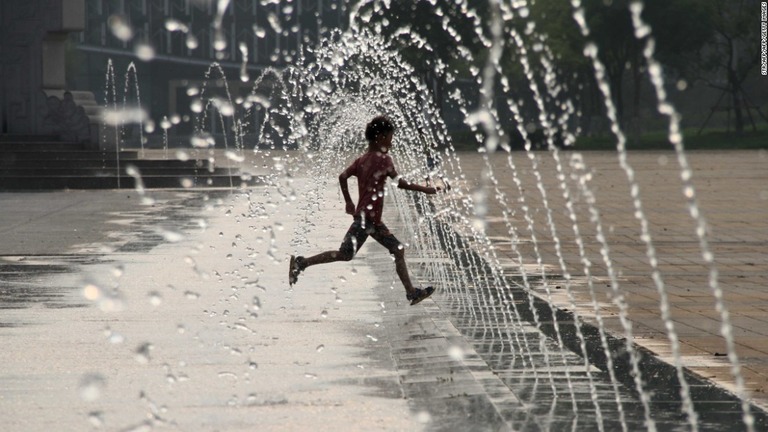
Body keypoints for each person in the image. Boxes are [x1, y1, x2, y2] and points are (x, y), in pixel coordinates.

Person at [289, 115, 441, 305]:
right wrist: (425, 189)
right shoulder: (384, 160)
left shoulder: (361, 160)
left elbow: (342, 177)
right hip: (368, 220)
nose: (391, 141)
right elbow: (400, 184)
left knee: (390, 250)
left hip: (368, 219)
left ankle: (411, 292)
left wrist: (348, 202)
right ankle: (302, 263)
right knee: (351, 253)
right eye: (389, 137)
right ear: (379, 137)